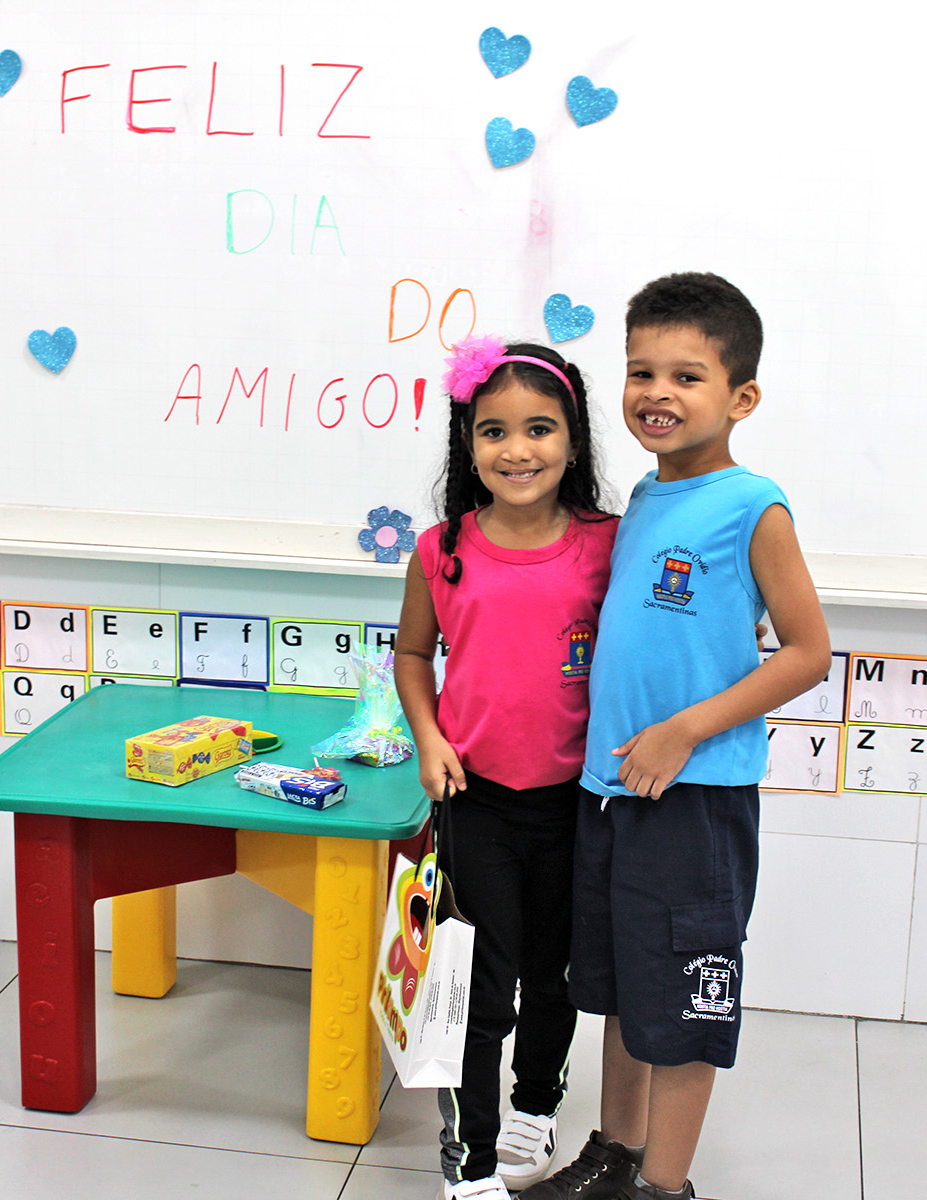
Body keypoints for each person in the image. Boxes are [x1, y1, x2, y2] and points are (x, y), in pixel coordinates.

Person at [523, 273, 832, 1200]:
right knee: (621, 988)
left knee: (687, 1004)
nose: (657, 393)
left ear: (741, 397)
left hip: (693, 800)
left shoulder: (754, 505)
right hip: (614, 791)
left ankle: (664, 1187)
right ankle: (614, 1156)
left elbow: (808, 653)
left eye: (687, 377)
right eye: (641, 372)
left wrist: (683, 731)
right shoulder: (645, 499)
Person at [394, 336, 618, 1200]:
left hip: (578, 804)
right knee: (478, 990)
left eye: (539, 428)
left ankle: (536, 1105)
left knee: (554, 977)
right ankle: (472, 1161)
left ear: (573, 440)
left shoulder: (609, 544)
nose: (517, 450)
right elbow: (413, 654)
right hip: (476, 801)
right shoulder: (441, 548)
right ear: (469, 442)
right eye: (494, 431)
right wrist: (430, 739)